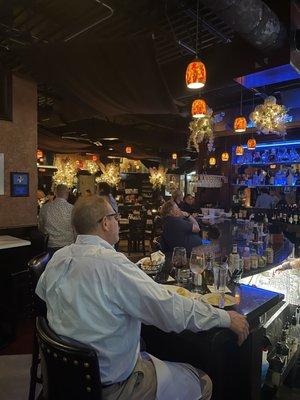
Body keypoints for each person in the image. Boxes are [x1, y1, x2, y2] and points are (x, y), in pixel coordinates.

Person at [36, 195, 249, 400]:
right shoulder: (113, 265)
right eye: (115, 217)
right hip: (112, 388)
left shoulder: (58, 259)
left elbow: (44, 299)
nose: (118, 222)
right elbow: (170, 310)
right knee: (203, 383)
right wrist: (225, 318)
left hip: (65, 381)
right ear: (105, 224)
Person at [38, 184, 75, 256]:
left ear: (55, 193)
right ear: (67, 194)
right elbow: (75, 229)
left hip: (51, 245)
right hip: (68, 245)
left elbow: (40, 227)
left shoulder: (45, 208)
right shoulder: (72, 209)